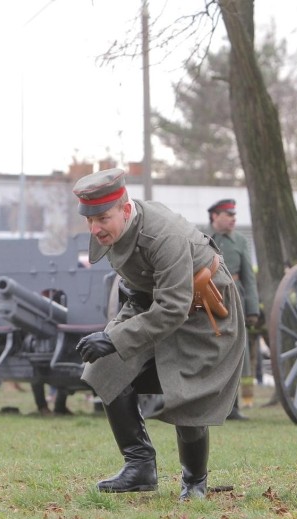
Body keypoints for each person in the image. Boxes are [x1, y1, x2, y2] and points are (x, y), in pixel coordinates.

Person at [72, 168, 244, 500]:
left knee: (188, 392)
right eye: (89, 220)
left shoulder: (164, 235)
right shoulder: (111, 227)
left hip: (201, 310)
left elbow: (174, 307)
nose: (95, 229)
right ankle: (139, 466)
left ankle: (194, 481)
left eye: (102, 219)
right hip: (150, 303)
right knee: (104, 368)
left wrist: (114, 337)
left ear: (124, 210)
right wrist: (116, 336)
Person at [208, 198, 260, 419]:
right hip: (210, 298)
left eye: (234, 216)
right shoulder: (204, 240)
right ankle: (213, 405)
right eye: (228, 215)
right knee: (214, 352)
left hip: (235, 297)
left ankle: (235, 406)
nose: (233, 219)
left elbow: (249, 276)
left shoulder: (240, 240)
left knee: (239, 353)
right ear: (214, 217)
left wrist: (252, 309)